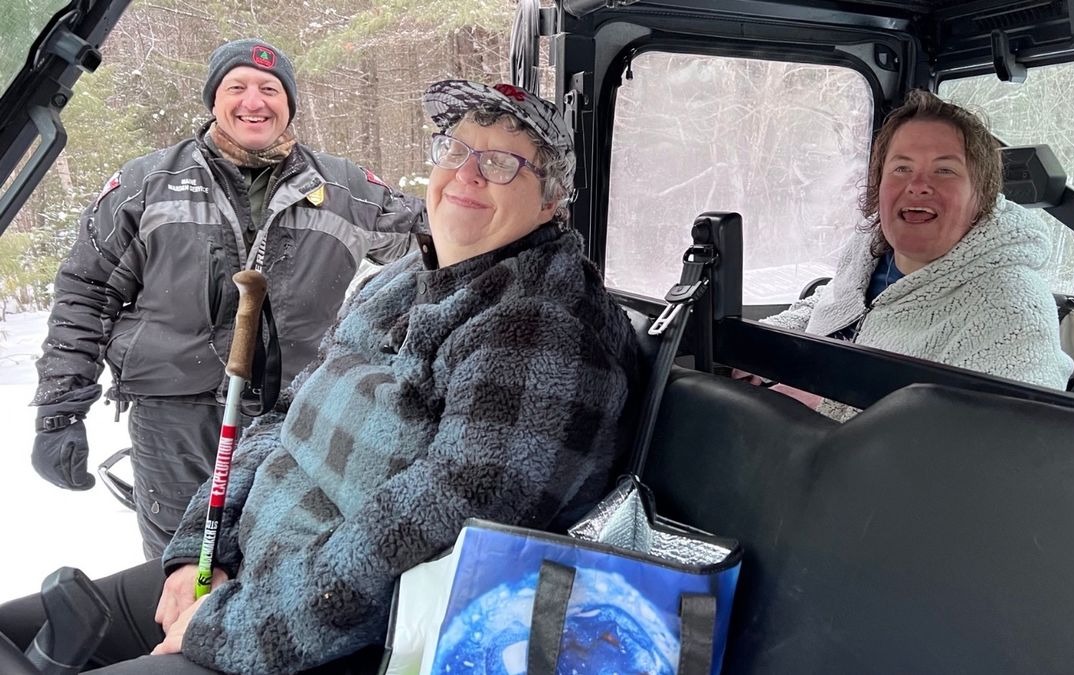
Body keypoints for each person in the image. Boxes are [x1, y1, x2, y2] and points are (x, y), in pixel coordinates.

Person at [0, 79, 640, 675]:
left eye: (503, 163)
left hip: (325, 631)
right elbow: (283, 417)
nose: (467, 173)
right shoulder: (400, 280)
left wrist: (226, 627)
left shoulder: (541, 324)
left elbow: (432, 533)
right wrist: (198, 554)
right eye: (457, 149)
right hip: (247, 571)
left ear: (553, 199)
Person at [29, 38, 425, 558]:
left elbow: (442, 237)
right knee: (181, 570)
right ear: (214, 99)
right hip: (173, 418)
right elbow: (86, 292)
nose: (253, 101)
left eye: (269, 88)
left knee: (283, 556)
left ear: (289, 103)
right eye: (236, 87)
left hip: (295, 414)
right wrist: (60, 410)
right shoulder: (147, 184)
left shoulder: (346, 189)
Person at [757, 89, 1073, 419]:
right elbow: (831, 306)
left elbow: (1009, 444)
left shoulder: (1011, 308)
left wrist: (827, 406)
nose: (918, 184)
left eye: (944, 170)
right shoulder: (869, 250)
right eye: (901, 168)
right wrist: (759, 349)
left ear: (982, 198)